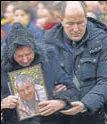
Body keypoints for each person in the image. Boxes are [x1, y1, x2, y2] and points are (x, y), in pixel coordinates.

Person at [1, 23, 78, 124]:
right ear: (11, 54)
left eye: (28, 54)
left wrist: (61, 102)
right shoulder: (3, 68)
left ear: (34, 50)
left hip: (50, 120)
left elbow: (73, 89)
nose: (25, 60)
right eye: (19, 56)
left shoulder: (48, 61)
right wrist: (3, 103)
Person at [44, 1, 107, 124]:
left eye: (80, 23)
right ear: (61, 20)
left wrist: (85, 104)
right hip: (58, 115)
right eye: (70, 23)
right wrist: (50, 88)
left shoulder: (102, 40)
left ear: (86, 18)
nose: (76, 29)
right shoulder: (47, 42)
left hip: (91, 114)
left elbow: (105, 81)